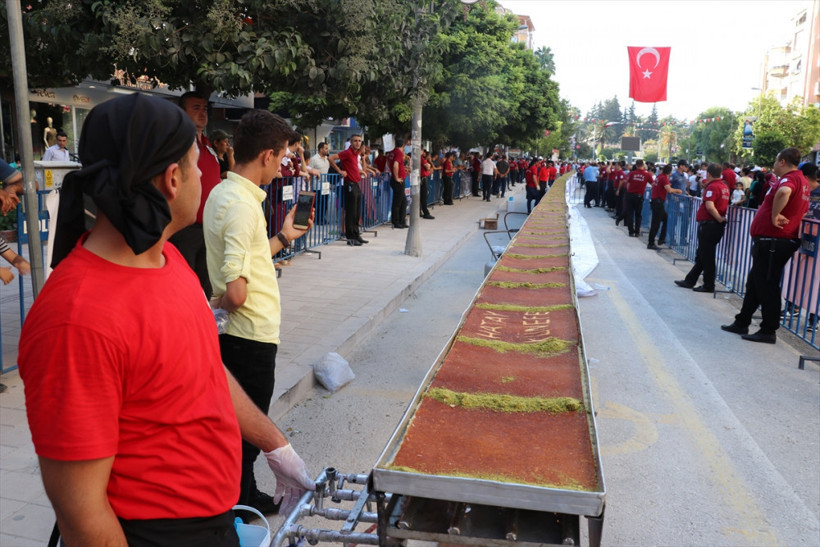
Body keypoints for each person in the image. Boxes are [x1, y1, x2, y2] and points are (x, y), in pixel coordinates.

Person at [18, 94, 313, 546]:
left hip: (213, 523)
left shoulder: (169, 261)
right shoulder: (76, 319)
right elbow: (81, 513)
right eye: (197, 165)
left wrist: (275, 444)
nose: (205, 176)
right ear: (173, 179)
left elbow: (206, 370)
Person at [204, 109, 313, 517]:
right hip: (249, 336)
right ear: (267, 155)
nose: (282, 165)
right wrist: (214, 302)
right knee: (246, 436)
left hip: (245, 334)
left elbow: (247, 260)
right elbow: (235, 292)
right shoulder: (241, 206)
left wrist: (283, 236)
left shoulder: (225, 194)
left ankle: (245, 497)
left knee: (239, 434)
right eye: (282, 156)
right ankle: (234, 510)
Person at [721, 148, 810, 344]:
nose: (774, 164)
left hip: (774, 240)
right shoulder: (802, 181)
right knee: (755, 282)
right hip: (773, 240)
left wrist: (775, 215)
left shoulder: (790, 179)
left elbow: (784, 192)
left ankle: (768, 330)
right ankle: (742, 321)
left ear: (783, 161)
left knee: (767, 285)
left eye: (776, 160)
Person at [168, 91, 222, 298]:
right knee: (184, 286)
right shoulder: (179, 144)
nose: (202, 113)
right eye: (196, 108)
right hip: (185, 229)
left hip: (208, 228)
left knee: (206, 285)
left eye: (205, 108)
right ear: (183, 111)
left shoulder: (208, 146)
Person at [675, 163, 730, 293]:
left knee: (707, 257)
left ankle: (709, 285)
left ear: (709, 174)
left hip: (709, 225)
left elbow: (710, 206)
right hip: (714, 225)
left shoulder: (713, 187)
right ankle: (690, 280)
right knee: (702, 255)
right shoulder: (724, 187)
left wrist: (718, 218)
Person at [329, 134, 368, 244]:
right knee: (351, 211)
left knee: (357, 211)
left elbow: (353, 167)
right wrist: (340, 171)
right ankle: (350, 237)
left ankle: (356, 234)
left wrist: (360, 171)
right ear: (351, 142)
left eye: (359, 141)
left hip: (356, 183)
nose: (358, 143)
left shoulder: (356, 154)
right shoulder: (347, 152)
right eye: (355, 141)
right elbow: (331, 158)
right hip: (349, 184)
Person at [647, 163, 683, 249]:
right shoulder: (663, 178)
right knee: (656, 223)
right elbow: (669, 190)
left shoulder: (659, 176)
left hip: (656, 201)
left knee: (664, 219)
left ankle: (661, 239)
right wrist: (678, 190)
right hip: (658, 202)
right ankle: (651, 243)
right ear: (669, 172)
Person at [621, 159, 651, 237]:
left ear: (636, 165)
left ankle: (631, 232)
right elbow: (653, 184)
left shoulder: (632, 173)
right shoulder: (647, 174)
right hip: (639, 196)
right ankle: (637, 232)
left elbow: (628, 185)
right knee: (638, 215)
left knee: (630, 214)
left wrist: (629, 193)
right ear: (643, 165)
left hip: (630, 195)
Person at [387, 138, 409, 228]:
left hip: (396, 179)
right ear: (403, 146)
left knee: (403, 201)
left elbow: (389, 163)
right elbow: (395, 165)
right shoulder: (399, 153)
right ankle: (396, 221)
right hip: (398, 180)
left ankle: (401, 220)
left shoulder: (392, 152)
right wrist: (396, 177)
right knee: (398, 202)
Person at [419, 150, 435, 219]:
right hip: (422, 178)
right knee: (423, 196)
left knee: (422, 196)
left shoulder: (422, 159)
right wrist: (429, 164)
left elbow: (430, 168)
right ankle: (425, 212)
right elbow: (428, 167)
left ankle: (420, 211)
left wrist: (429, 162)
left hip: (423, 178)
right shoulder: (421, 158)